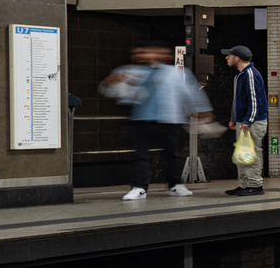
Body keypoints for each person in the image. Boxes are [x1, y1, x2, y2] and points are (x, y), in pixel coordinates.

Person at [100, 42, 214, 200]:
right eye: (138, 53)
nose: (142, 56)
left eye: (147, 52)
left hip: (170, 120)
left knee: (172, 154)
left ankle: (174, 185)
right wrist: (111, 82)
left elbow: (192, 93)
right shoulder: (129, 71)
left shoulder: (177, 73)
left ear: (162, 54)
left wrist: (204, 113)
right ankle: (139, 186)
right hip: (140, 120)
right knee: (140, 155)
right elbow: (109, 91)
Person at [222, 45, 268, 196]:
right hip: (244, 121)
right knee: (243, 154)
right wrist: (234, 119)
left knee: (251, 153)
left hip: (252, 123)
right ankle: (245, 184)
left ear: (237, 58)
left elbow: (255, 101)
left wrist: (247, 121)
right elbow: (239, 101)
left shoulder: (250, 74)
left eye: (229, 55)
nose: (226, 58)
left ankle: (254, 185)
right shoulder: (241, 75)